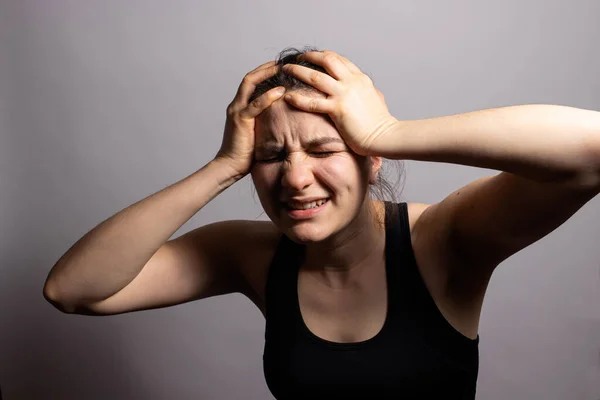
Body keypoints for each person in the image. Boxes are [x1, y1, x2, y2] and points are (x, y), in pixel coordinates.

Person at [43, 46, 600, 399]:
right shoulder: (251, 254)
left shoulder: (443, 239)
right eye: (270, 157)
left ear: (367, 156)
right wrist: (222, 168)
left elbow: (592, 151)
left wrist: (388, 132)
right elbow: (73, 290)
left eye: (324, 148)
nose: (296, 178)